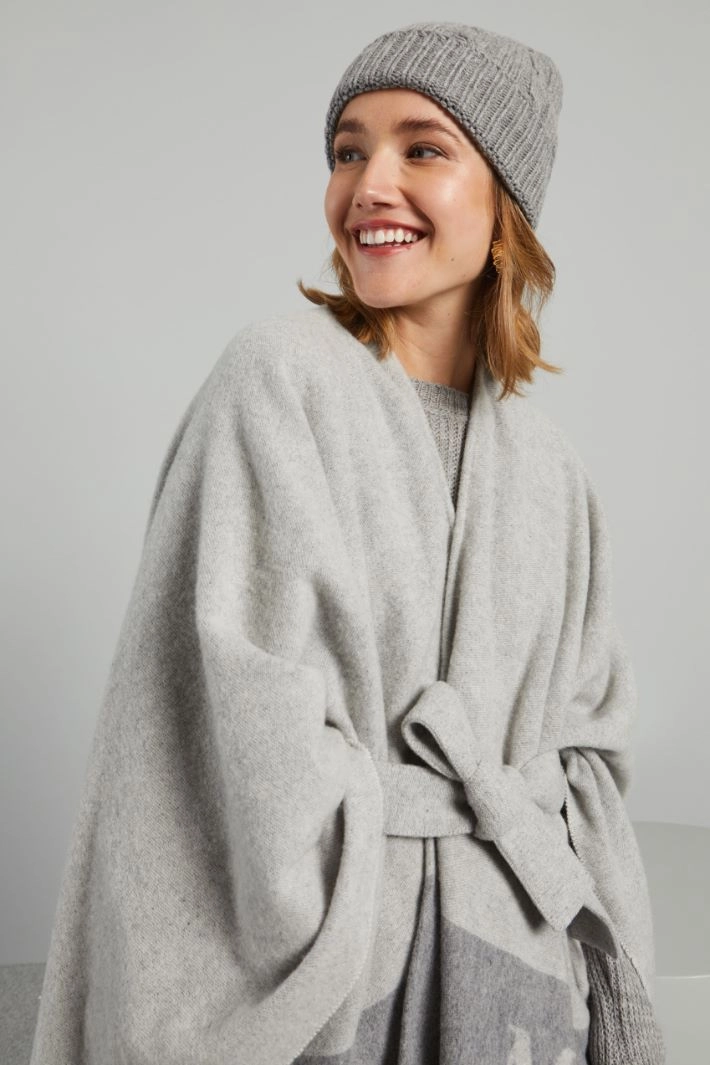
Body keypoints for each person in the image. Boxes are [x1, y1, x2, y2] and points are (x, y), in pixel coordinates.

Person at [30, 21, 665, 1065]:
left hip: (520, 978)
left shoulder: (550, 469)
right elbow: (227, 723)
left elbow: (589, 751)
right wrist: (383, 852)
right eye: (347, 150)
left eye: (422, 148)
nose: (370, 185)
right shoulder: (276, 380)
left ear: (505, 208)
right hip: (343, 977)